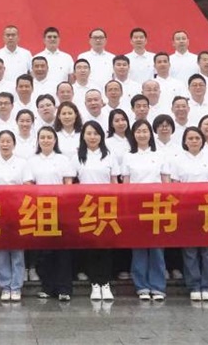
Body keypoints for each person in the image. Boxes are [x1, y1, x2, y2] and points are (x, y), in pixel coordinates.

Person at [25, 126, 76, 301]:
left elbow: (68, 183)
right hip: (40, 209)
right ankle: (47, 287)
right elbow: (29, 184)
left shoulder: (63, 159)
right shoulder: (32, 161)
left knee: (62, 251)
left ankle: (64, 289)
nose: (46, 140)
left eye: (49, 137)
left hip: (61, 208)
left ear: (55, 140)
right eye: (42, 137)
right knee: (44, 252)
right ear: (38, 140)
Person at [122, 119, 170, 301]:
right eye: (138, 131)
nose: (142, 134)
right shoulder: (128, 156)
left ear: (151, 133)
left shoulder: (160, 155)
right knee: (139, 247)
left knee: (157, 248)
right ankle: (141, 285)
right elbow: (126, 184)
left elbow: (166, 182)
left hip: (157, 205)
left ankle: (157, 286)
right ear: (133, 135)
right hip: (136, 206)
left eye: (145, 131)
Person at [171, 126, 208, 301]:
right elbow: (174, 186)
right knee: (190, 249)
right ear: (185, 141)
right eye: (190, 138)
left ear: (202, 140)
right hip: (187, 209)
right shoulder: (177, 160)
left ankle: (207, 285)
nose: (194, 141)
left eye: (197, 138)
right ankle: (193, 285)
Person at [76, 120, 120, 302]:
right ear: (83, 136)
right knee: (91, 245)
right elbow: (71, 183)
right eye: (89, 133)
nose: (92, 137)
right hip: (86, 206)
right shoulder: (77, 156)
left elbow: (114, 182)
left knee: (106, 245)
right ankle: (94, 282)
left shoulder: (109, 156)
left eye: (96, 133)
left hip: (106, 206)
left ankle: (105, 282)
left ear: (101, 136)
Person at [0, 129, 25, 302]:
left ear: (14, 144)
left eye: (9, 141)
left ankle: (16, 286)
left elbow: (28, 185)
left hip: (18, 210)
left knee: (17, 250)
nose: (5, 144)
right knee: (1, 250)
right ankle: (5, 285)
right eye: (2, 141)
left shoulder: (22, 163)